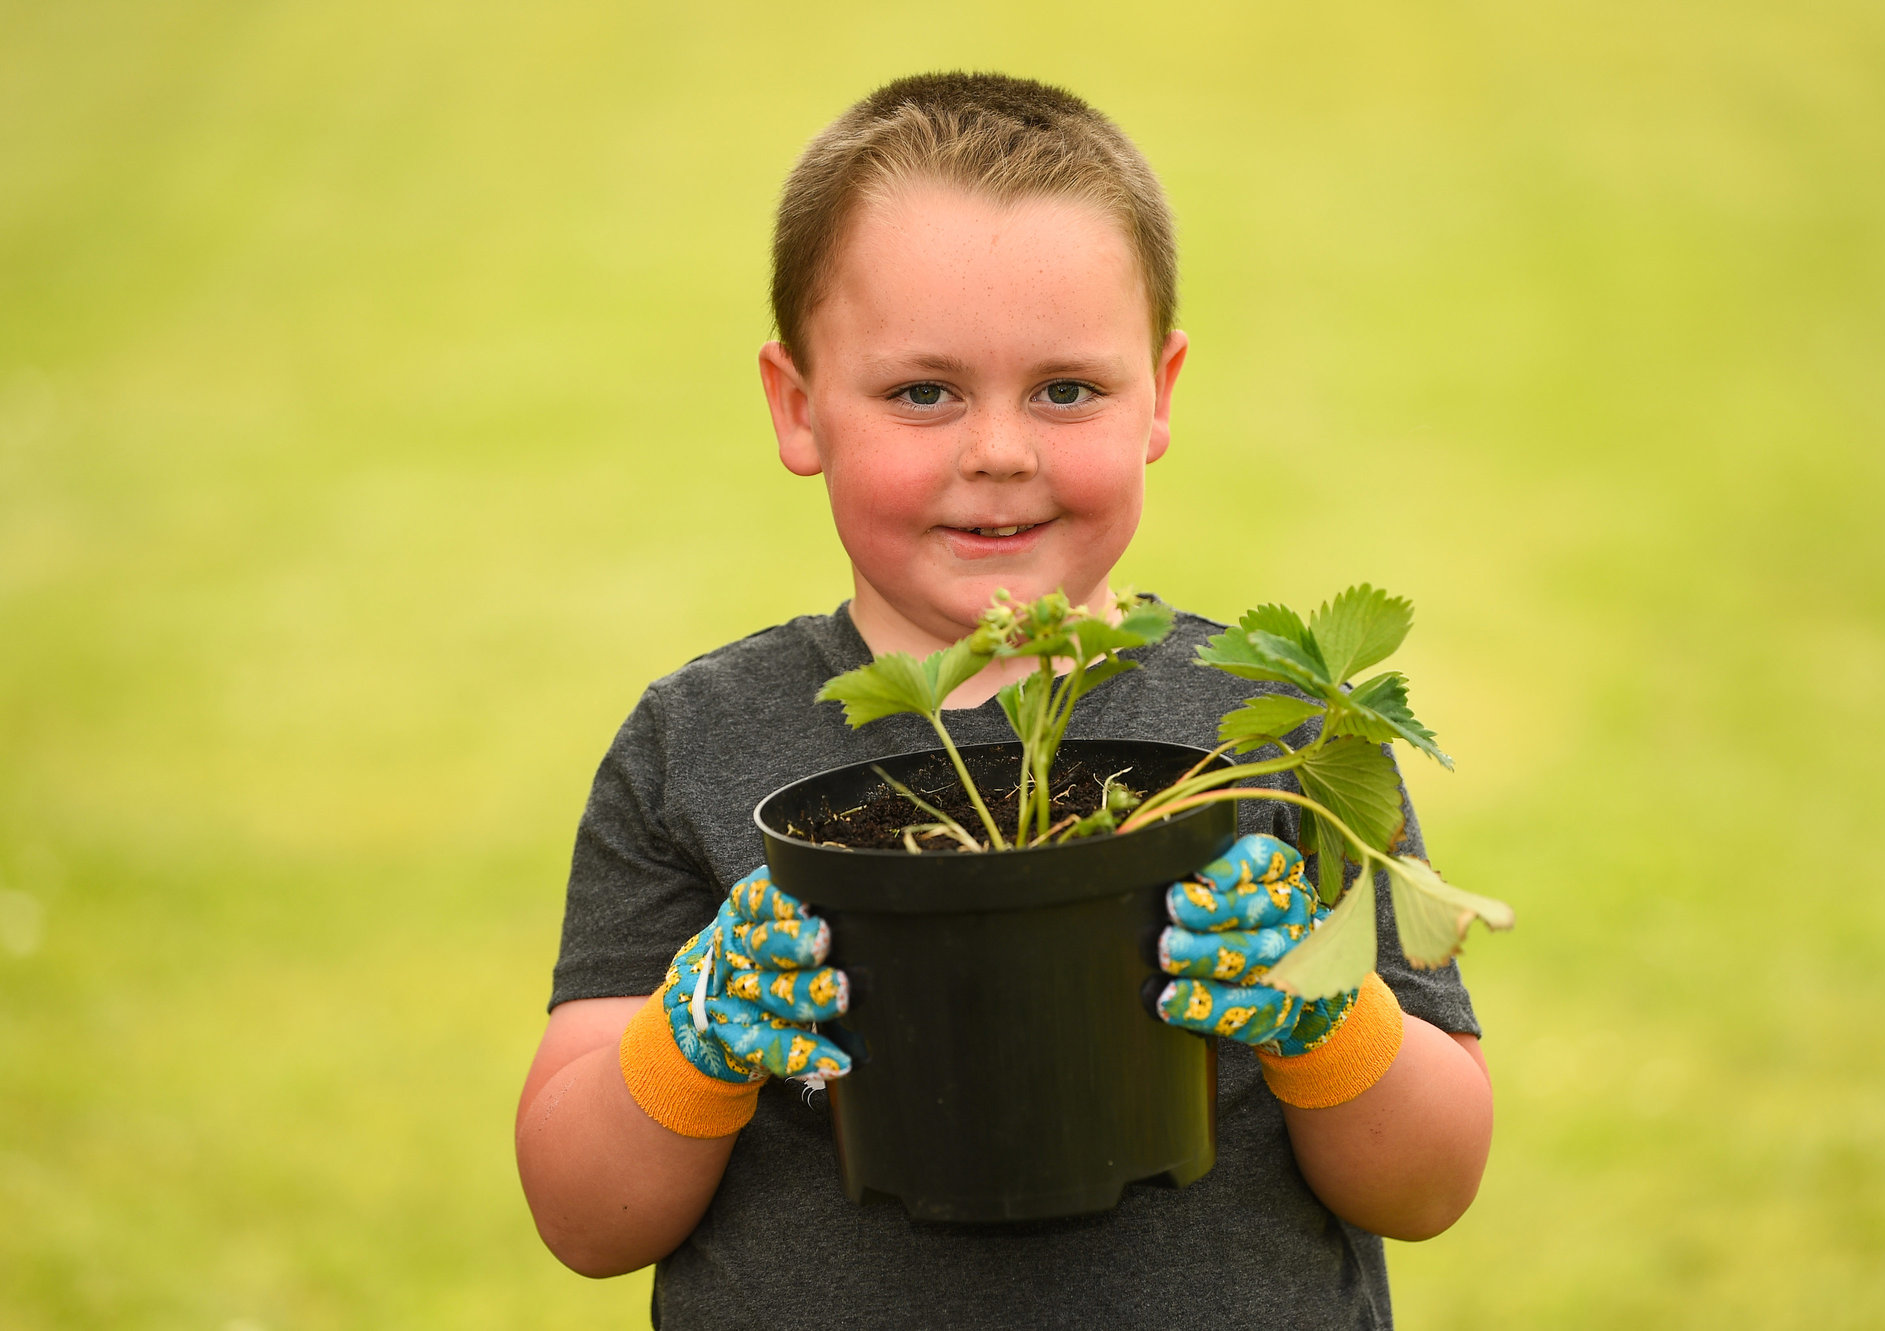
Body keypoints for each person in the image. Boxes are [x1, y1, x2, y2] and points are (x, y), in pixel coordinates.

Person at [515, 71, 1493, 1328]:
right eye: (921, 391)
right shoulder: (696, 745)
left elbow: (1428, 1181)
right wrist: (691, 1033)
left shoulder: (1268, 733)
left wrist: (1320, 1012)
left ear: (1160, 392)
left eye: (1065, 389)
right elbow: (585, 1220)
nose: (997, 451)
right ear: (797, 402)